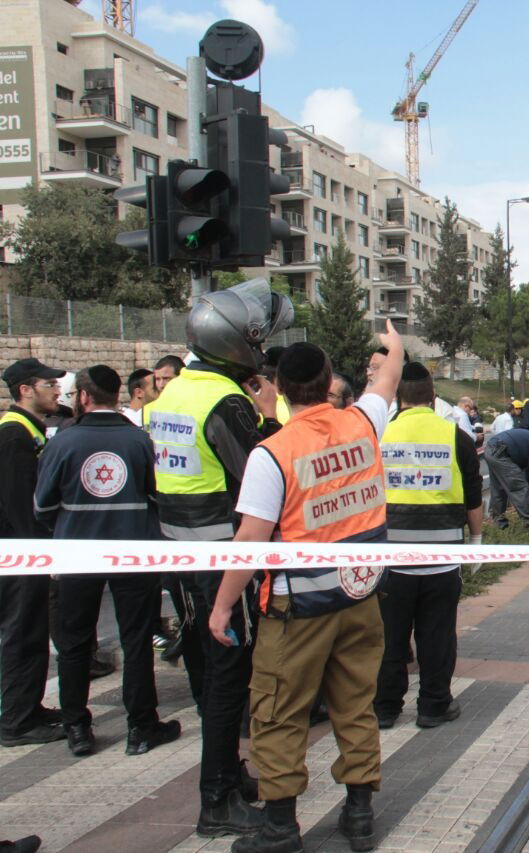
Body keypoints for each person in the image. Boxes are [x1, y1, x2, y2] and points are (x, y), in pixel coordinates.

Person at [209, 325, 403, 853]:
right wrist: (393, 342)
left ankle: (279, 827)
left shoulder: (272, 453)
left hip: (298, 610)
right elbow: (388, 377)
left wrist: (223, 606)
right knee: (355, 705)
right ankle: (359, 812)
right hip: (360, 597)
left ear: (278, 386)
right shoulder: (363, 422)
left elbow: (251, 540)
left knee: (277, 712)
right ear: (328, 382)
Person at [146, 279, 292, 837]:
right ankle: (218, 800)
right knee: (230, 674)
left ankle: (229, 771)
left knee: (208, 670)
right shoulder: (224, 401)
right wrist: (269, 417)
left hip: (178, 552)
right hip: (222, 557)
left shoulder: (172, 394)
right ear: (235, 345)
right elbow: (261, 473)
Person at [35, 365, 180, 757]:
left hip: (77, 552)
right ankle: (141, 726)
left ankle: (77, 727)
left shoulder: (62, 443)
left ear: (83, 396)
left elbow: (43, 504)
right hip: (133, 551)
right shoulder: (138, 440)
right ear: (118, 394)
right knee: (136, 640)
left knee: (74, 643)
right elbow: (157, 497)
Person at [376, 362, 483, 731]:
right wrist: (477, 542)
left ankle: (385, 708)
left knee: (390, 637)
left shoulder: (379, 436)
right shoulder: (456, 436)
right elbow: (473, 498)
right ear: (433, 397)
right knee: (436, 635)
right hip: (442, 558)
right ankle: (433, 705)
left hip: (390, 560)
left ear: (397, 398)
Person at [0, 358, 67, 748]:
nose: (57, 390)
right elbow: (18, 506)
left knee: (32, 633)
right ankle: (17, 722)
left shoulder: (28, 430)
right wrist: (40, 555)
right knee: (22, 634)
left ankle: (29, 706)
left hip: (26, 553)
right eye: (49, 384)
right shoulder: (14, 435)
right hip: (20, 556)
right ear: (26, 390)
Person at [484, 426, 529, 526]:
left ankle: (498, 519)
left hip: (491, 448)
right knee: (519, 486)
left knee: (498, 486)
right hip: (501, 451)